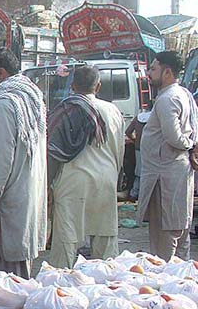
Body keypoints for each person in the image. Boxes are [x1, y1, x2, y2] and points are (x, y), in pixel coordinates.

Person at [47, 66, 125, 268]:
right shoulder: (113, 111)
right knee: (105, 238)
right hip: (106, 178)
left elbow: (52, 152)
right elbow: (120, 150)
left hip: (73, 180)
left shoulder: (65, 110)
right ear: (98, 86)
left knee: (67, 239)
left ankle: (59, 286)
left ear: (72, 85)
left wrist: (47, 185)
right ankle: (107, 287)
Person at [0, 48, 47, 279]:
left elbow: (1, 161)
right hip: (29, 191)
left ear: (1, 72)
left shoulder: (6, 103)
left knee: (13, 276)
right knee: (21, 264)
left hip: (12, 195)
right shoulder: (32, 96)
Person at [137, 51, 198, 261]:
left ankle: (166, 284)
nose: (149, 73)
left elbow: (174, 137)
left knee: (166, 237)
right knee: (179, 232)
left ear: (167, 72)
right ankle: (181, 284)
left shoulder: (168, 98)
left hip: (166, 175)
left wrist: (189, 145)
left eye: (153, 69)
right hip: (175, 171)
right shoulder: (183, 94)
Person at [124, 109, 151, 200]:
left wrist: (135, 140)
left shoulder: (138, 118)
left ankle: (134, 193)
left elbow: (128, 132)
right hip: (152, 149)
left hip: (138, 148)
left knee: (139, 172)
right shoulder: (156, 117)